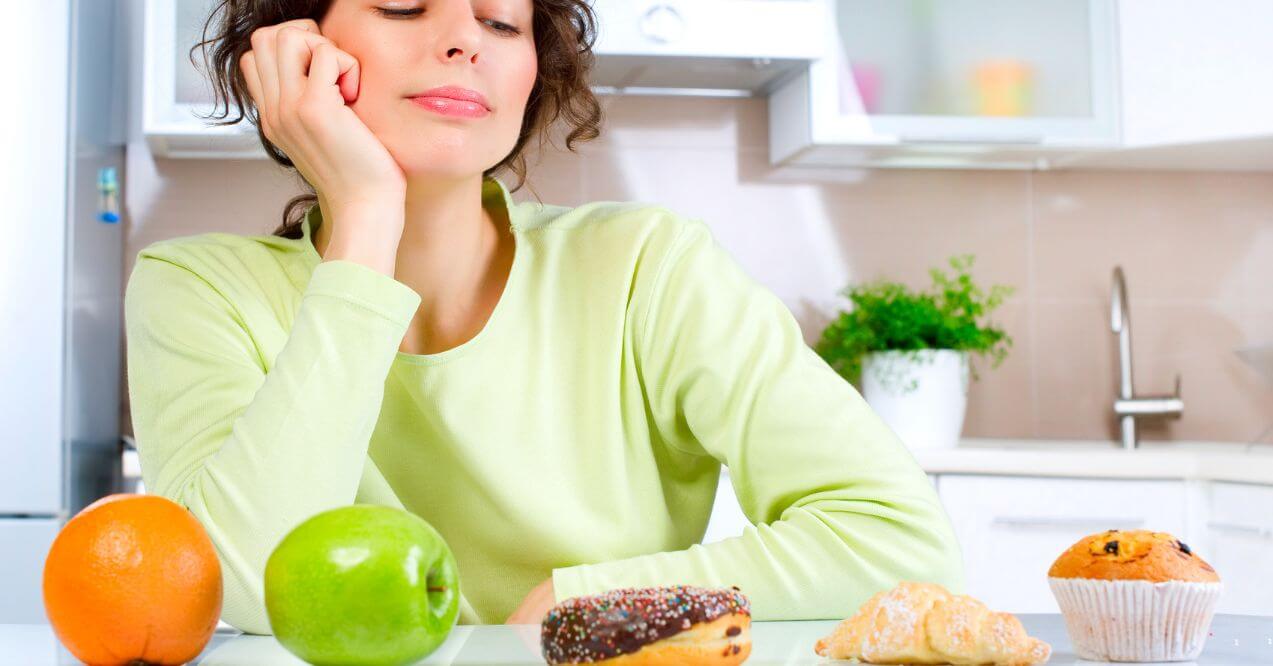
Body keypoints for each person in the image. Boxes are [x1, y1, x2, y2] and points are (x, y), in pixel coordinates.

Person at [124, 0, 964, 634]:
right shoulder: (198, 288)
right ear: (293, 51)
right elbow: (238, 587)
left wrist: (575, 603)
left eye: (500, 21)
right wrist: (367, 220)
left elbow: (897, 544)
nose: (462, 38)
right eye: (403, 6)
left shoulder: (645, 267)